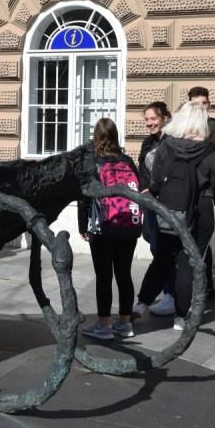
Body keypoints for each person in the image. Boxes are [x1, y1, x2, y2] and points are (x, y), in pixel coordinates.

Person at [136, 102, 215, 330]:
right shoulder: (210, 151)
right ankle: (181, 317)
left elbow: (155, 181)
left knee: (162, 258)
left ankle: (142, 302)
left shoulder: (166, 146)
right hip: (200, 213)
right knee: (189, 264)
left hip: (169, 211)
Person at [78, 119, 140, 340]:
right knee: (124, 274)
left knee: (104, 276)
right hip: (128, 225)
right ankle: (125, 324)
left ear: (96, 136)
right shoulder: (127, 161)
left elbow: (84, 196)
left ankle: (104, 325)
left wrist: (82, 225)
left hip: (102, 227)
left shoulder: (92, 162)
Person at [138, 102, 176, 317]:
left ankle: (171, 295)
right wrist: (144, 190)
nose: (149, 123)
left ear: (164, 118)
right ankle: (168, 292)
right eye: (147, 119)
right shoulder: (147, 142)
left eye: (153, 119)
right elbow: (142, 168)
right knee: (155, 246)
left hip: (167, 204)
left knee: (164, 251)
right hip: (150, 203)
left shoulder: (172, 142)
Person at [187, 86, 215, 299]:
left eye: (205, 103)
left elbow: (212, 154)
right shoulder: (186, 124)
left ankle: (204, 285)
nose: (202, 107)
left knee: (201, 243)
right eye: (198, 103)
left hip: (203, 191)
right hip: (186, 191)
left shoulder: (211, 125)